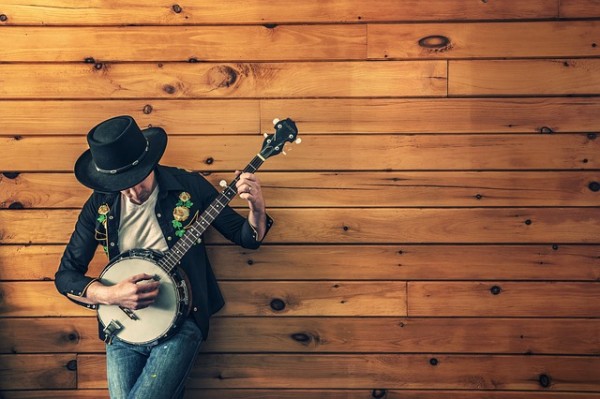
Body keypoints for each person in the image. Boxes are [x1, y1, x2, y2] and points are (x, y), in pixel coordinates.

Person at [55, 115, 273, 398]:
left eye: (136, 180)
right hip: (122, 329)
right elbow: (66, 275)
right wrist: (111, 296)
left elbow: (246, 238)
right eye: (122, 184)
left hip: (183, 322)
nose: (132, 192)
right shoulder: (100, 203)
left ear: (150, 163)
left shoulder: (189, 186)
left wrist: (257, 206)